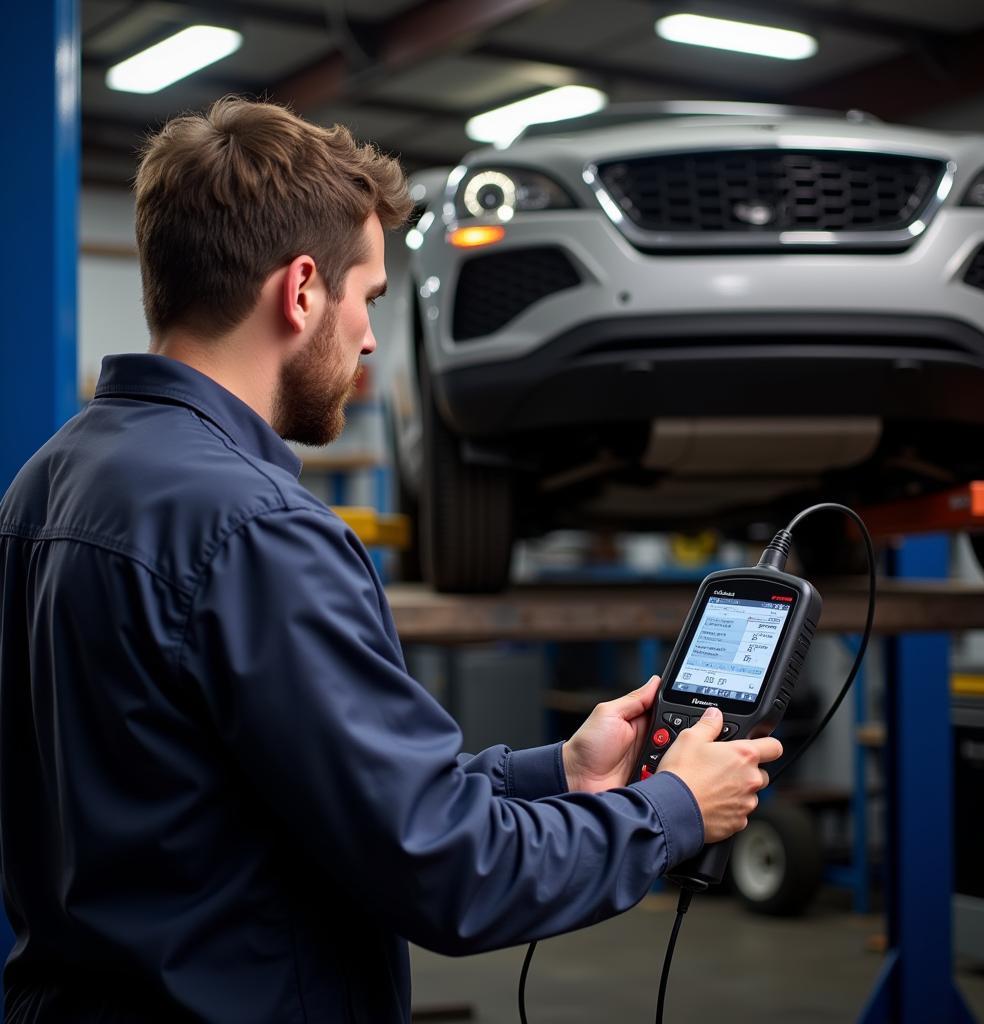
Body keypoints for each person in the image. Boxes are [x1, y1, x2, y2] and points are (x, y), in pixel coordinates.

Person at [0, 97, 782, 1023]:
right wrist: (675, 810)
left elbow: (300, 793)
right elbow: (450, 872)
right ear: (299, 291)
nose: (371, 339)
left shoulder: (47, 483)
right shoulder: (256, 530)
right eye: (367, 298)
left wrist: (558, 773)